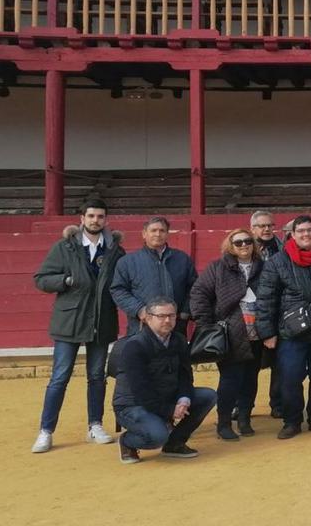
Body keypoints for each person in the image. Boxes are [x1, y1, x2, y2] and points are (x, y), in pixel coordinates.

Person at [30, 199, 126, 454]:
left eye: (100, 216)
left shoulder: (116, 250)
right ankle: (46, 431)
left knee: (97, 377)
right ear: (81, 219)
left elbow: (123, 282)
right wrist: (66, 279)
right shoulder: (64, 247)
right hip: (69, 319)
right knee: (59, 378)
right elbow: (41, 279)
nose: (96, 220)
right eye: (91, 216)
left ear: (106, 220)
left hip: (101, 320)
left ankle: (95, 425)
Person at [255, 214, 311, 439]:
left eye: (310, 230)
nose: (306, 234)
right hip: (291, 332)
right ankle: (292, 420)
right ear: (292, 235)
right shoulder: (278, 261)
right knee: (290, 378)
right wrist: (267, 332)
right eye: (301, 231)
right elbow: (266, 299)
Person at [112, 298, 217, 464]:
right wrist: (169, 411)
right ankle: (127, 441)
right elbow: (141, 391)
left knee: (208, 396)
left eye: (171, 315)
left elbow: (185, 376)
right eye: (161, 316)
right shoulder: (135, 346)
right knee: (157, 436)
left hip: (167, 397)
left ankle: (175, 443)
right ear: (148, 318)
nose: (167, 320)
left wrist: (183, 399)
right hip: (133, 405)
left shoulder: (179, 341)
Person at [188, 228, 265, 441]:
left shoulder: (263, 267)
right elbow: (199, 294)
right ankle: (223, 423)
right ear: (230, 246)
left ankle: (244, 418)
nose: (243, 246)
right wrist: (205, 323)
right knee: (231, 379)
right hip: (231, 333)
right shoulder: (218, 268)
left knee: (251, 378)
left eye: (247, 241)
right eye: (238, 242)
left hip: (257, 333)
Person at [110, 216, 197, 336]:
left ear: (167, 234)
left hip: (175, 327)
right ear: (144, 234)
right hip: (141, 327)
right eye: (153, 230)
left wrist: (184, 313)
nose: (158, 234)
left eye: (162, 231)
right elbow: (118, 290)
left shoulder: (182, 259)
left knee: (174, 355)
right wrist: (139, 310)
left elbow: (194, 288)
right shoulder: (127, 261)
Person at [250, 210, 285, 418]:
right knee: (250, 363)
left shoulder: (283, 248)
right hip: (251, 313)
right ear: (253, 228)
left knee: (279, 362)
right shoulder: (243, 248)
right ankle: (245, 404)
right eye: (261, 226)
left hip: (279, 310)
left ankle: (277, 404)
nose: (266, 229)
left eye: (269, 225)